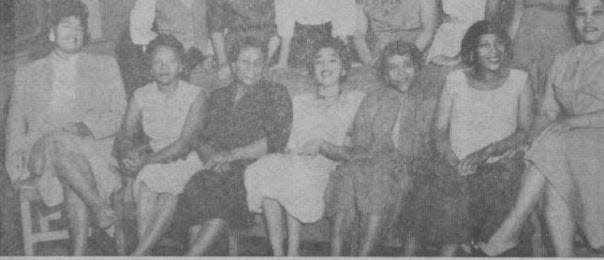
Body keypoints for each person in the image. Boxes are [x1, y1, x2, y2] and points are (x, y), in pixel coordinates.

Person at [471, 0, 604, 256]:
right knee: (555, 171)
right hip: (574, 147)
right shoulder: (564, 59)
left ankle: (510, 228)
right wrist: (529, 142)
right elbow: (547, 113)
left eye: (597, 13)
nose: (588, 21)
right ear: (573, 20)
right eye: (581, 14)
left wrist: (569, 124)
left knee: (557, 148)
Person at [5, 0, 125, 255]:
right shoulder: (27, 73)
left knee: (72, 171)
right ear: (51, 32)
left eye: (79, 27)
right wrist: (14, 166)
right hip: (41, 154)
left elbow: (119, 113)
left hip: (90, 151)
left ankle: (78, 253)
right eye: (66, 26)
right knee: (57, 141)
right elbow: (15, 125)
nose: (74, 33)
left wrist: (84, 127)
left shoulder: (105, 66)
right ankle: (100, 208)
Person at [405, 21, 533, 256]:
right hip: (456, 162)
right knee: (435, 188)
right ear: (471, 52)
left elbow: (524, 130)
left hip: (498, 162)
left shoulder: (520, 79)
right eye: (484, 45)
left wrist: (486, 153)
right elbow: (439, 131)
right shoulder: (455, 80)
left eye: (499, 44)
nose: (494, 51)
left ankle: (468, 247)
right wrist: (454, 161)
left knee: (493, 183)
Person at [244, 38, 365, 256]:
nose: (325, 67)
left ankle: (292, 253)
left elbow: (356, 143)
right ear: (312, 69)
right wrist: (291, 152)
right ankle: (279, 253)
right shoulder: (300, 100)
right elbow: (291, 139)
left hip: (329, 165)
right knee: (267, 167)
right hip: (297, 158)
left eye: (332, 61)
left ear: (344, 68)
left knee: (294, 172)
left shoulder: (355, 100)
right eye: (319, 62)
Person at [175, 36, 293, 256]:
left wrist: (231, 156)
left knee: (221, 194)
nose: (251, 68)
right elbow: (200, 138)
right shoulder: (219, 96)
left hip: (252, 169)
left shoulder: (276, 93)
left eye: (257, 62)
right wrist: (214, 158)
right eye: (245, 62)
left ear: (265, 66)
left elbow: (277, 140)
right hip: (215, 167)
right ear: (233, 66)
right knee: (196, 186)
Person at [325, 40, 437, 256]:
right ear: (385, 74)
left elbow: (426, 149)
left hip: (407, 168)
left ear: (417, 68)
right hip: (371, 162)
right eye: (393, 67)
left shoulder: (429, 101)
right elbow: (361, 141)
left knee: (379, 178)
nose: (401, 73)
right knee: (346, 175)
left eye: (407, 65)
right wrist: (366, 156)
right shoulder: (374, 98)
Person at [118, 34, 206, 256]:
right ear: (149, 67)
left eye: (171, 61)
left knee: (169, 192)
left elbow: (184, 144)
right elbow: (125, 135)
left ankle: (138, 255)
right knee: (147, 186)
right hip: (154, 160)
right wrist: (129, 154)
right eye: (157, 62)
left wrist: (144, 160)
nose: (164, 67)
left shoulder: (195, 95)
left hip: (186, 161)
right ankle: (145, 254)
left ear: (181, 66)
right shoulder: (141, 95)